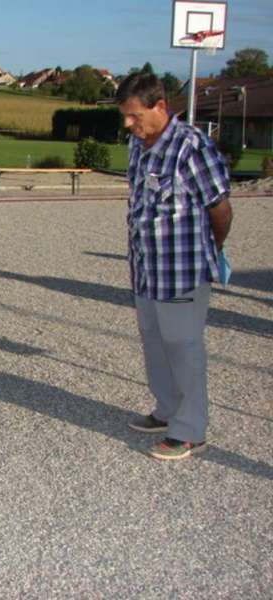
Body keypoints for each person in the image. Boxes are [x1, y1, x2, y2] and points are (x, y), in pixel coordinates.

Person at [117, 73, 232, 461]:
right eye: (126, 117)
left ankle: (190, 430)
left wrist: (213, 249)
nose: (128, 124)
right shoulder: (139, 145)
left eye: (134, 116)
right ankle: (167, 410)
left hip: (183, 269)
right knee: (154, 341)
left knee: (183, 347)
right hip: (147, 269)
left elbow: (220, 208)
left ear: (160, 106)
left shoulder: (192, 148)